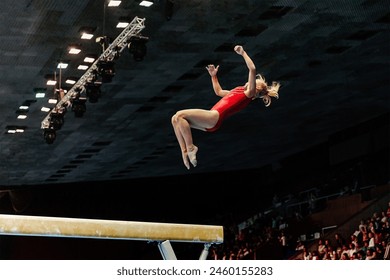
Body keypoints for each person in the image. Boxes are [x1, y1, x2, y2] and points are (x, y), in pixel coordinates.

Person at [171, 45, 281, 169]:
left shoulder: (248, 94)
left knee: (180, 115)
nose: (249, 81)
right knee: (175, 119)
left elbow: (252, 69)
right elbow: (218, 91)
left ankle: (191, 147)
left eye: (253, 82)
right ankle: (184, 152)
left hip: (214, 117)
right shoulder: (238, 92)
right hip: (212, 121)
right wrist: (213, 76)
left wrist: (243, 53)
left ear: (255, 88)